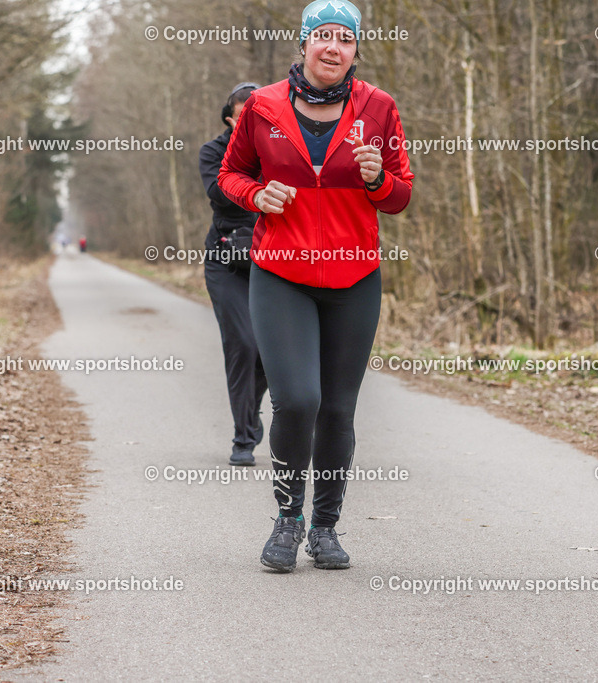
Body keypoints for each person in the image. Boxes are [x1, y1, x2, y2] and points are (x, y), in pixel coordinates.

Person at [218, 0, 414, 572]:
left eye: (345, 39)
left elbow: (400, 195)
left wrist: (377, 178)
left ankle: (325, 527)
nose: (334, 48)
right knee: (299, 400)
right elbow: (232, 173)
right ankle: (287, 519)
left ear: (356, 48)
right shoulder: (263, 106)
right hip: (282, 274)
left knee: (338, 410)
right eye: (323, 37)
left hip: (355, 276)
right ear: (304, 44)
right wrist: (256, 196)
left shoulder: (378, 107)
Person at [201, 82, 268, 466]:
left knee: (270, 351)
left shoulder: (278, 146)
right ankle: (243, 439)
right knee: (242, 342)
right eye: (245, 116)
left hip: (270, 256)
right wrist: (255, 175)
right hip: (226, 259)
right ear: (232, 119)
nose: (252, 122)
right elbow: (218, 191)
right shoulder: (214, 151)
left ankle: (251, 412)